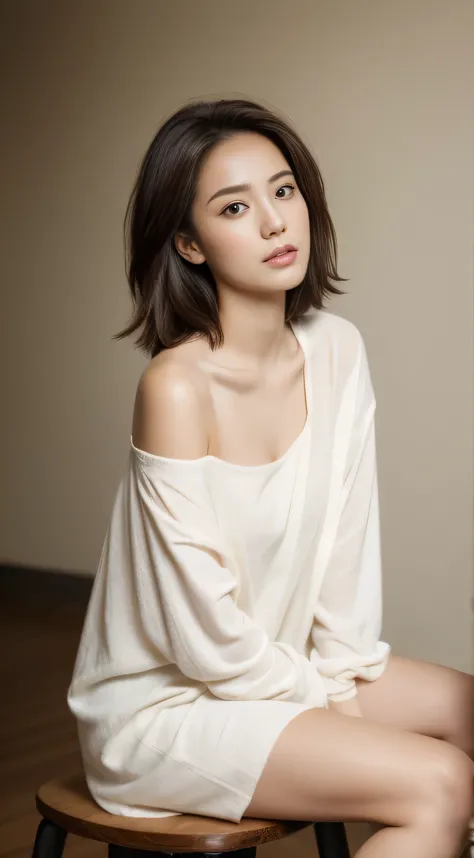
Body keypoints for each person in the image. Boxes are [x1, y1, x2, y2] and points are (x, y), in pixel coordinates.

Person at [68, 98, 473, 857]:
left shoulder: (337, 350)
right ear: (188, 242)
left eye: (283, 191)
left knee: (466, 709)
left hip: (285, 664)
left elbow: (345, 567)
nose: (274, 222)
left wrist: (339, 680)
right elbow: (202, 641)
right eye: (234, 206)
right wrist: (324, 707)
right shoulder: (175, 387)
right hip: (168, 705)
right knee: (441, 781)